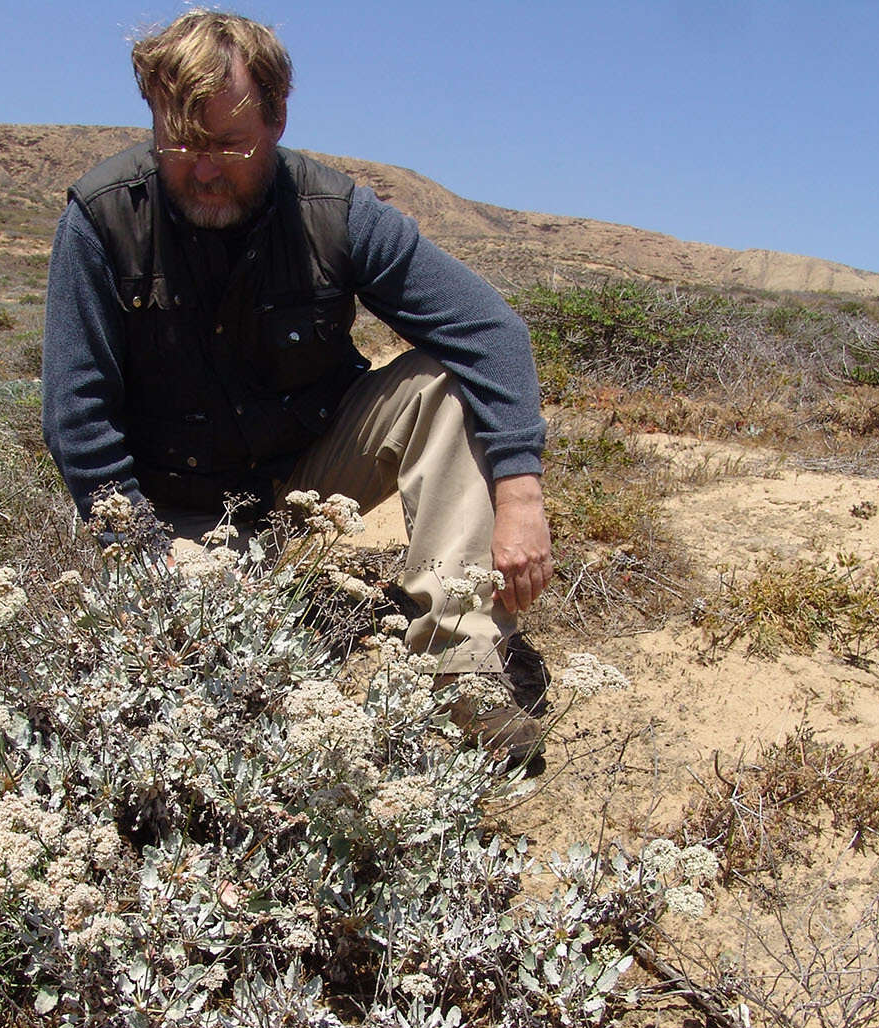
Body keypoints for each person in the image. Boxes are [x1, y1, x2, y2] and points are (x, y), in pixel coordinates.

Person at [41, 9, 553, 763]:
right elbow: (76, 413)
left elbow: (489, 331)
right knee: (199, 700)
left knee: (443, 382)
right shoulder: (102, 220)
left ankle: (463, 671)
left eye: (225, 143)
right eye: (177, 144)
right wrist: (142, 549)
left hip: (311, 488)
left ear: (278, 117)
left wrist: (520, 495)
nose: (203, 168)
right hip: (179, 521)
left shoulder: (333, 213)